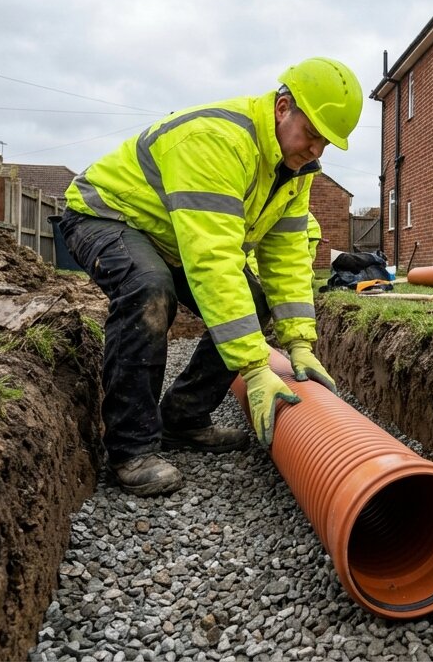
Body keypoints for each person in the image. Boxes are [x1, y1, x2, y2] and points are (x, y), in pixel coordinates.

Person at [59, 57, 363, 496]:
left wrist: (299, 342)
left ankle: (183, 418)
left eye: (326, 143)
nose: (316, 150)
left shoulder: (294, 172)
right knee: (149, 289)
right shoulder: (218, 141)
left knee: (255, 300)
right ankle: (130, 448)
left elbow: (286, 257)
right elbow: (213, 261)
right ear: (282, 108)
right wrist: (257, 368)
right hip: (107, 215)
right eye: (312, 134)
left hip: (172, 234)